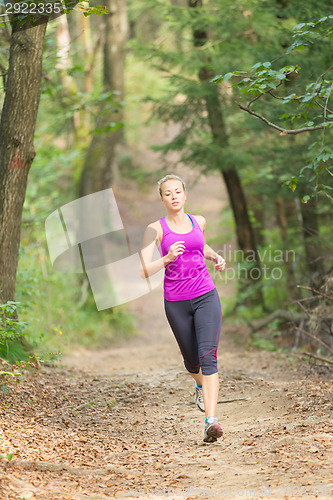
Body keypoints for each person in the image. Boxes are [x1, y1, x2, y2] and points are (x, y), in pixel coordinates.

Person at [140, 174, 225, 443]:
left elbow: (200, 244)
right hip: (176, 302)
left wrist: (214, 256)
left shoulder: (198, 221)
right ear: (162, 198)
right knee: (191, 361)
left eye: (178, 191)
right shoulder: (155, 229)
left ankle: (210, 421)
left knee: (208, 356)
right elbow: (143, 270)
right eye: (168, 193)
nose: (174, 196)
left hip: (205, 295)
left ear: (185, 195)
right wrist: (166, 258)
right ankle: (199, 384)